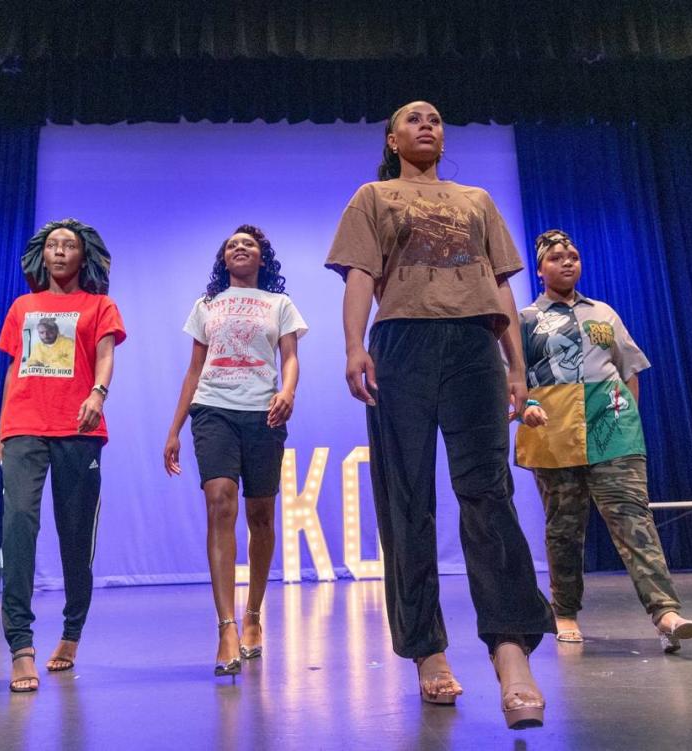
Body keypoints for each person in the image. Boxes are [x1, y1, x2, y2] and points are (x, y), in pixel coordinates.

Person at [325, 101, 554, 730]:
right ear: (393, 137)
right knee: (407, 498)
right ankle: (427, 649)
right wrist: (354, 346)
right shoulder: (374, 195)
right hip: (402, 342)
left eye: (435, 118)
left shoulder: (476, 198)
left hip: (474, 342)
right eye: (412, 118)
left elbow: (503, 283)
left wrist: (517, 366)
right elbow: (361, 276)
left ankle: (512, 653)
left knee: (488, 491)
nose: (427, 124)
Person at [515, 229, 692, 653]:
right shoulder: (526, 320)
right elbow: (513, 378)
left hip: (611, 431)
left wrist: (625, 417)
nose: (567, 262)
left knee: (634, 521)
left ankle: (666, 613)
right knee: (564, 530)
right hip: (554, 435)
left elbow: (628, 370)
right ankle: (564, 611)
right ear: (541, 268)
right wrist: (525, 408)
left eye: (573, 256)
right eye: (557, 257)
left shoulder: (603, 313)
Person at [164, 225, 307, 678]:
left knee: (261, 516)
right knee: (219, 502)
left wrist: (287, 392)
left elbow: (289, 357)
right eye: (232, 244)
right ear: (223, 259)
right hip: (213, 411)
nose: (240, 248)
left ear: (262, 258)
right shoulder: (206, 306)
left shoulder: (279, 304)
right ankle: (225, 626)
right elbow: (193, 370)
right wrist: (175, 429)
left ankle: (253, 615)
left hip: (264, 414)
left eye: (249, 244)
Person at [0, 218, 126, 692]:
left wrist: (98, 393)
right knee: (18, 529)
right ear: (41, 254)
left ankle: (71, 633)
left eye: (68, 246)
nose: (59, 252)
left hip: (79, 428)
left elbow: (107, 354)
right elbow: (15, 369)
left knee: (76, 537)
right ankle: (21, 647)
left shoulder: (99, 306)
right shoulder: (23, 306)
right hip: (24, 428)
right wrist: (1, 428)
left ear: (83, 255)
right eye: (52, 245)